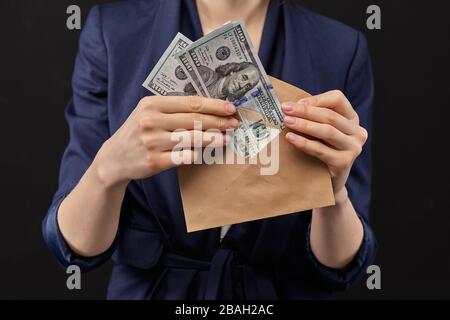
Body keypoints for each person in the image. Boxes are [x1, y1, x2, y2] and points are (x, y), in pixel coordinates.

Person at [42, 0, 377, 299]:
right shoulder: (112, 32)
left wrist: (333, 193)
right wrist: (108, 171)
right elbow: (74, 246)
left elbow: (341, 266)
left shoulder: (341, 48)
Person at [184, 62, 260, 102]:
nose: (242, 85)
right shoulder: (206, 75)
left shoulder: (224, 105)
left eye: (248, 86)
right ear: (233, 71)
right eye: (244, 77)